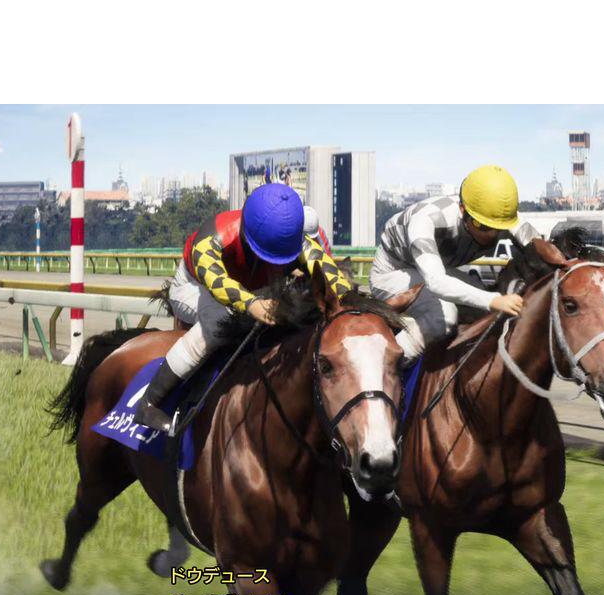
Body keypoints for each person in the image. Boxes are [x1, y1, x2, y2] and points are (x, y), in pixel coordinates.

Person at [133, 182, 353, 433]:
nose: (277, 264)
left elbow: (331, 275)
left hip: (250, 287)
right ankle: (149, 403)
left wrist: (351, 304)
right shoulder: (214, 236)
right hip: (195, 287)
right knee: (219, 322)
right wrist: (251, 303)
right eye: (269, 255)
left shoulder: (294, 239)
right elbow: (215, 280)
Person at [370, 165, 538, 361]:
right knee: (443, 317)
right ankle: (383, 363)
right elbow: (436, 281)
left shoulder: (500, 216)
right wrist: (492, 300)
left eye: (497, 228)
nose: (490, 235)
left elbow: (544, 249)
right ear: (462, 209)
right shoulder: (425, 220)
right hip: (392, 273)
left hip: (435, 270)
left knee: (482, 309)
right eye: (483, 226)